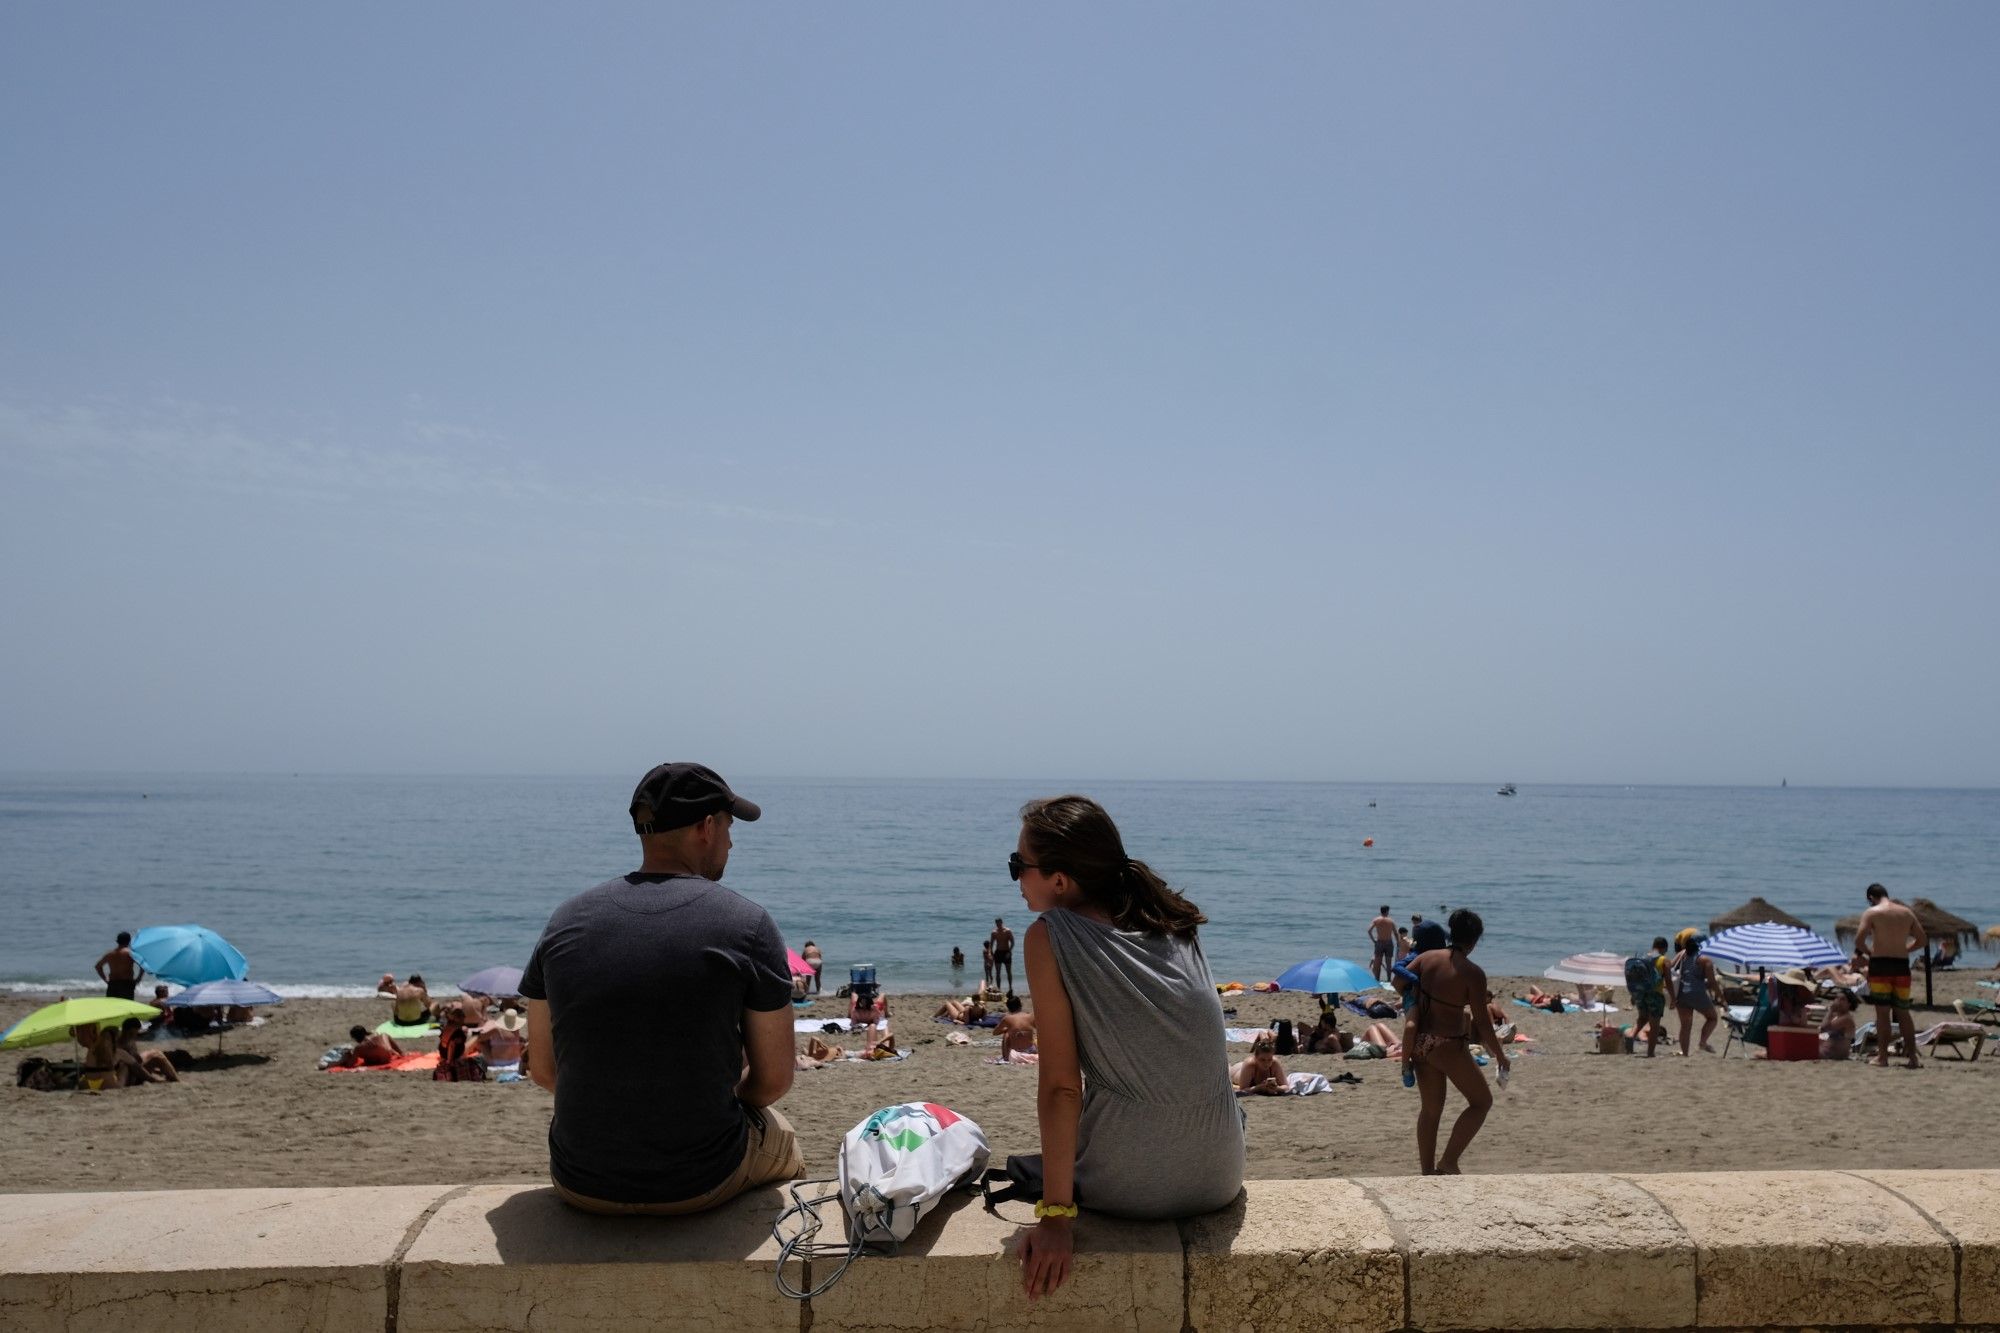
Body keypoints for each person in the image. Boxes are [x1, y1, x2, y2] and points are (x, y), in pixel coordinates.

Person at [521, 761, 798, 1214]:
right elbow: (774, 1080)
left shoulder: (565, 920)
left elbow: (545, 1072)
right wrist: (719, 1099)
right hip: (698, 1182)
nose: (731, 841)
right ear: (706, 827)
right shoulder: (746, 923)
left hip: (580, 1180)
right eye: (729, 826)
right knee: (782, 1138)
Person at [1010, 795, 1243, 1301]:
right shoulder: (1171, 919)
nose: (1014, 877)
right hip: (1221, 1172)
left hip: (1135, 1186)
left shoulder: (1049, 936)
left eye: (1018, 865)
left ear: (1059, 880)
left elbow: (1061, 1089)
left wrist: (1054, 1218)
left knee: (1023, 1169)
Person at [1406, 909, 1509, 1176]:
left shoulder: (1426, 958)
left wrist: (1419, 998)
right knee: (1481, 1102)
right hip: (1448, 1044)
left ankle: (1427, 1171)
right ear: (1475, 940)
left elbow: (1398, 981)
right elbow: (1483, 1023)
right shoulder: (1473, 973)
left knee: (1431, 1109)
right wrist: (1499, 1055)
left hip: (1420, 1042)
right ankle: (1448, 1161)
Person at [1853, 882, 1925, 1069]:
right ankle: (1913, 1059)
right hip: (1901, 966)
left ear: (1871, 898)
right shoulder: (1906, 912)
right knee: (1903, 1012)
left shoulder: (1872, 913)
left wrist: (1870, 953)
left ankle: (1883, 1058)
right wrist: (1906, 949)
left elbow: (1859, 940)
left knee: (1883, 1013)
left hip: (1881, 966)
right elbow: (1922, 939)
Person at [1672, 933, 1721, 1055]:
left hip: (1681, 993)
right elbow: (1712, 982)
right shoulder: (1704, 959)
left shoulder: (1682, 954)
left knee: (1685, 1026)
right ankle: (1702, 1042)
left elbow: (1670, 966)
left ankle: (1685, 1054)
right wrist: (1722, 998)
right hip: (1697, 994)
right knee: (1712, 1018)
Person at [1625, 944, 1669, 1057]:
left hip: (1639, 993)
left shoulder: (1643, 957)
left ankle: (1631, 1036)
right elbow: (1668, 980)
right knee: (1654, 1025)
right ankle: (1650, 1053)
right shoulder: (1662, 959)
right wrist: (1673, 998)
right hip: (1655, 994)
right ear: (1664, 948)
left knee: (1642, 1018)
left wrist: (1633, 996)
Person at [114, 1018, 180, 1083]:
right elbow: (131, 1064)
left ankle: (174, 1079)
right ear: (128, 1031)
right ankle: (175, 1080)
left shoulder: (129, 1040)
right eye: (134, 1032)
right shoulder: (118, 1044)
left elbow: (137, 1059)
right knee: (155, 1055)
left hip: (135, 1070)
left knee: (156, 1054)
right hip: (127, 1075)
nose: (136, 1034)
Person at [468, 1006, 527, 1070]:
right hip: (515, 1061)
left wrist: (472, 1033)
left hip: (499, 1063)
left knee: (481, 1043)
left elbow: (480, 1038)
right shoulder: (516, 1030)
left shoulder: (497, 1030)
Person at [95, 932, 144, 1000]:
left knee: (113, 1007)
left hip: (113, 984)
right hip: (127, 984)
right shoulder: (130, 953)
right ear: (129, 941)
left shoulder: (109, 954)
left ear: (117, 941)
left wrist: (105, 979)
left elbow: (98, 966)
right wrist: (138, 979)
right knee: (127, 1007)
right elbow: (143, 965)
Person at [338, 1024, 404, 1067]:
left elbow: (350, 1064)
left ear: (356, 1038)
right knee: (384, 1034)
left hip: (382, 1061)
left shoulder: (359, 1048)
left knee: (367, 1058)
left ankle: (393, 1051)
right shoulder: (375, 1034)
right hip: (388, 1053)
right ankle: (400, 1052)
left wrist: (348, 1057)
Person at [1819, 990, 1857, 1061]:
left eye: (1842, 999)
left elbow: (1823, 1028)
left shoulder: (1847, 1019)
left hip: (1834, 1054)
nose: (1838, 1001)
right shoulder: (1835, 1016)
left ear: (1849, 1004)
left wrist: (1830, 1010)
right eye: (1837, 998)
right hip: (1826, 1050)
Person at [997, 993, 1037, 1059]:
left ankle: (1005, 1058)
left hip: (1016, 1052)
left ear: (1008, 1008)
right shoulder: (1030, 1016)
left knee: (1006, 1034)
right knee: (1034, 1036)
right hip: (1031, 1050)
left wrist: (1008, 1029)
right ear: (1020, 1005)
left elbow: (995, 1032)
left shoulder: (1007, 1018)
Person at [1367, 905, 1398, 982]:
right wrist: (1398, 942)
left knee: (1377, 963)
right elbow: (1395, 933)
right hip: (1389, 942)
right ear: (1387, 911)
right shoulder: (1390, 921)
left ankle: (1377, 979)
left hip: (1379, 942)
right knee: (1388, 963)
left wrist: (1374, 940)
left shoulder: (1376, 920)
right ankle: (1388, 980)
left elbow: (1369, 931)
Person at [990, 917, 1016, 994]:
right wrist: (991, 952)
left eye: (999, 923)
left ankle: (1010, 987)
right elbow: (991, 943)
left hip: (1006, 952)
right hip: (998, 953)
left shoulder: (1008, 931)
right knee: (998, 972)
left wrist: (1009, 952)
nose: (998, 924)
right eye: (997, 923)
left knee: (1009, 971)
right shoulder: (994, 932)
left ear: (1002, 922)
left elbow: (1012, 942)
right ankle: (999, 989)